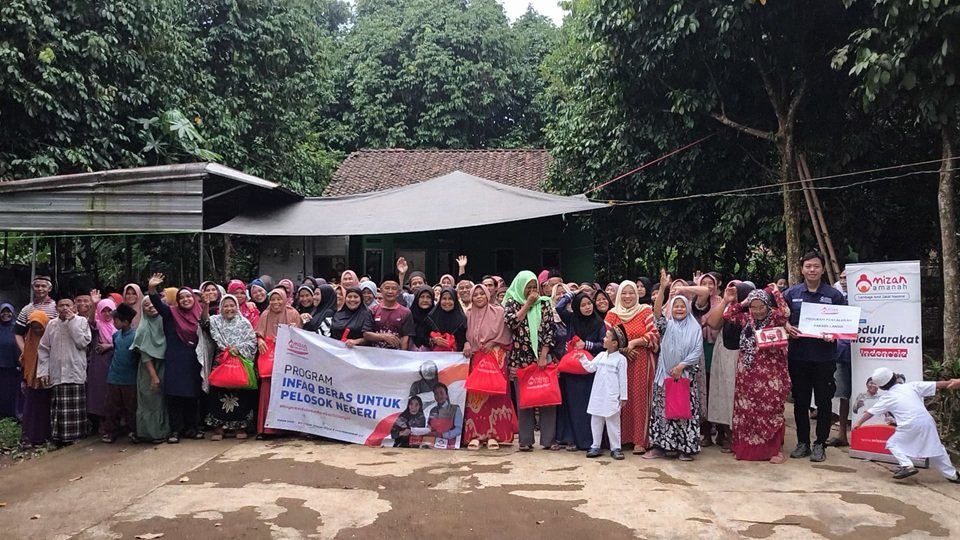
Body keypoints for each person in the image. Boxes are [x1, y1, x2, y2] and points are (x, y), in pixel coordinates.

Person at [783, 251, 846, 462]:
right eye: (808, 266)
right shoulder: (791, 294)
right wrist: (787, 326)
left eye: (816, 266)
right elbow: (780, 317)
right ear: (802, 269)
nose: (812, 270)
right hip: (798, 356)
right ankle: (803, 442)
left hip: (824, 358)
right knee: (800, 402)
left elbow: (843, 324)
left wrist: (834, 334)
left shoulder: (834, 296)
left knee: (823, 401)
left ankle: (820, 443)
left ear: (823, 269)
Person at [852, 367, 960, 482]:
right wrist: (955, 382)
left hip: (909, 424)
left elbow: (870, 412)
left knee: (893, 443)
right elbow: (937, 384)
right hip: (926, 421)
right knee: (936, 449)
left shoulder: (886, 398)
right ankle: (953, 475)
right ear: (895, 376)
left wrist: (858, 423)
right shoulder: (911, 386)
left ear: (881, 387)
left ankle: (907, 465)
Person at [723, 286, 791, 463]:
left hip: (772, 372)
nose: (758, 311)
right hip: (747, 371)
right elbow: (727, 314)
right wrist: (744, 303)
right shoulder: (746, 318)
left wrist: (776, 292)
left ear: (767, 305)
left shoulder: (775, 317)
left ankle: (776, 450)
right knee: (747, 410)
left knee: (771, 410)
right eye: (754, 307)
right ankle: (748, 449)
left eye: (761, 306)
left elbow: (786, 312)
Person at [503, 270, 558, 452]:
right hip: (521, 358)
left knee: (547, 398)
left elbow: (549, 330)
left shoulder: (544, 303)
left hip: (542, 357)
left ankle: (548, 440)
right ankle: (525, 440)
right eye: (528, 288)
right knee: (524, 400)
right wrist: (527, 304)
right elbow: (512, 323)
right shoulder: (511, 302)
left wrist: (543, 356)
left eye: (535, 287)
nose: (532, 291)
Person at [644, 296, 703, 461]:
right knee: (663, 412)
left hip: (685, 376)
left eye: (682, 306)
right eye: (675, 306)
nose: (679, 309)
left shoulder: (695, 328)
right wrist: (663, 288)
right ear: (670, 308)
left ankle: (685, 449)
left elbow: (697, 350)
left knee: (683, 412)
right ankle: (660, 448)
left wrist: (681, 366)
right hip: (665, 377)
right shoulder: (667, 325)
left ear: (688, 308)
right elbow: (657, 314)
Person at [147, 273, 204, 444]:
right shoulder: (171, 313)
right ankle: (175, 431)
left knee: (192, 396)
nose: (186, 299)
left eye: (188, 296)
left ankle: (191, 428)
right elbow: (158, 304)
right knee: (174, 396)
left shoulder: (200, 315)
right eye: (182, 297)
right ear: (177, 301)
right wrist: (152, 288)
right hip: (175, 361)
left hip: (193, 360)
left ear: (194, 298)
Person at [604, 280, 660, 454]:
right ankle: (621, 439)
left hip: (642, 362)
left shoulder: (645, 311)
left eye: (631, 293)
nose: (627, 296)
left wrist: (635, 342)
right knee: (620, 398)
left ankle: (640, 440)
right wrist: (624, 350)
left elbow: (654, 335)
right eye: (624, 293)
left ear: (637, 294)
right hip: (618, 363)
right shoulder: (612, 315)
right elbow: (607, 340)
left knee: (639, 399)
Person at [462, 284, 517, 449]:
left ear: (487, 295)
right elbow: (464, 335)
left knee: (496, 395)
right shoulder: (468, 314)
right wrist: (466, 343)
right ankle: (475, 435)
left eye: (482, 294)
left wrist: (493, 342)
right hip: (476, 357)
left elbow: (507, 334)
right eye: (475, 294)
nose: (479, 297)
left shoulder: (498, 312)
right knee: (476, 397)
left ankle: (496, 435)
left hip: (496, 356)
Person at [704, 281, 755, 451]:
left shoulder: (754, 311)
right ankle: (727, 434)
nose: (733, 293)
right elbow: (712, 323)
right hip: (724, 355)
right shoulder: (728, 309)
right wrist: (726, 300)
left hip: (742, 358)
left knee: (740, 397)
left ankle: (742, 437)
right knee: (724, 395)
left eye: (737, 291)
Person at [37, 298, 92, 446]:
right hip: (57, 372)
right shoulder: (52, 324)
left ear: (74, 307)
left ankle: (77, 437)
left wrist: (72, 321)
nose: (65, 308)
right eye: (61, 305)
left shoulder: (81, 321)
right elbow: (44, 349)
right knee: (59, 408)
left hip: (75, 371)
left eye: (68, 305)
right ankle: (59, 438)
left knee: (76, 408)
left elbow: (83, 342)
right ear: (56, 308)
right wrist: (43, 371)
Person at [556, 289, 606, 451]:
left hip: (590, 369)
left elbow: (603, 344)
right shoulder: (572, 319)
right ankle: (570, 438)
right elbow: (559, 307)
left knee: (587, 406)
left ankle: (587, 440)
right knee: (571, 405)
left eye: (589, 304)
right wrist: (573, 293)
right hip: (571, 369)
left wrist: (586, 345)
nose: (587, 307)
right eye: (583, 305)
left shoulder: (599, 323)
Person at [203, 294, 258, 440]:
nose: (229, 309)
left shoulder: (244, 323)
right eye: (225, 306)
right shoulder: (215, 321)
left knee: (241, 393)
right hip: (221, 361)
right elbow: (203, 322)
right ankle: (219, 428)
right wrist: (206, 305)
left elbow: (252, 342)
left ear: (237, 307)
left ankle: (239, 427)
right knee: (218, 392)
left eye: (232, 305)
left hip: (239, 362)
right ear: (221, 308)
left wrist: (238, 349)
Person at [255, 288, 302, 438]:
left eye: (279, 299)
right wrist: (260, 340)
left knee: (286, 392)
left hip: (287, 359)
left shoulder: (293, 313)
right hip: (269, 359)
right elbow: (258, 334)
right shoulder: (265, 314)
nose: (276, 302)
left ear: (285, 299)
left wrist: (292, 331)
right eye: (273, 299)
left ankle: (287, 428)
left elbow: (300, 336)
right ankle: (266, 430)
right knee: (267, 391)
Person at [583, 325, 629, 460]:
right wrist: (582, 358)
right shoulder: (601, 356)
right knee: (596, 421)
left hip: (611, 396)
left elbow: (623, 379)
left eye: (607, 337)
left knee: (613, 422)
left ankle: (616, 448)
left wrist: (623, 396)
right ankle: (595, 445)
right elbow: (591, 367)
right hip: (598, 394)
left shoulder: (621, 359)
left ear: (614, 343)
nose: (603, 339)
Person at [132, 295, 169, 443]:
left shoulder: (165, 323)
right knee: (151, 400)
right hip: (149, 369)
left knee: (163, 400)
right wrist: (153, 376)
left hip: (164, 365)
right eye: (146, 305)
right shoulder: (143, 328)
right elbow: (145, 354)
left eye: (153, 303)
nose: (151, 307)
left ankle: (164, 431)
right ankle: (150, 433)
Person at [101, 303, 138, 443]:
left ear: (126, 322)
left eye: (116, 320)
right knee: (111, 406)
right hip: (114, 376)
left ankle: (133, 430)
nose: (114, 323)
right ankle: (111, 431)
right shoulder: (116, 335)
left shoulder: (135, 336)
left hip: (130, 378)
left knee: (131, 406)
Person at [19, 310, 50, 447]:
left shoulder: (51, 339)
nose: (37, 330)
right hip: (31, 382)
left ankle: (44, 437)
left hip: (46, 381)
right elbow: (25, 361)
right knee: (31, 411)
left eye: (40, 327)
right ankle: (29, 438)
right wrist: (24, 380)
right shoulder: (29, 341)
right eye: (34, 327)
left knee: (45, 410)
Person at [86, 298, 117, 434]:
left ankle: (114, 423)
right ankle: (100, 423)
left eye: (110, 311)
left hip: (115, 361)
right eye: (103, 311)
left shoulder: (117, 325)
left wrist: (109, 346)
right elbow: (91, 322)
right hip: (99, 363)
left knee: (113, 393)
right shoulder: (97, 325)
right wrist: (94, 304)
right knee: (99, 393)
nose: (107, 314)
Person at [365, 274, 414, 350]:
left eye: (394, 288)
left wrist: (402, 353)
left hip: (397, 354)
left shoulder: (406, 312)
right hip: (375, 354)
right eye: (387, 288)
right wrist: (383, 337)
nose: (390, 291)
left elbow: (405, 337)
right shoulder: (372, 310)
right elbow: (366, 334)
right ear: (381, 290)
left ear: (398, 292)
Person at [15, 275, 58, 355]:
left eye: (43, 286)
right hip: (32, 351)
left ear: (49, 288)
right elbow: (18, 333)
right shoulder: (26, 309)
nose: (40, 289)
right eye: (37, 286)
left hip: (52, 352)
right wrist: (25, 351)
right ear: (32, 288)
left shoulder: (56, 308)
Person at [427, 383, 462, 448]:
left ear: (446, 395)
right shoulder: (433, 410)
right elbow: (429, 425)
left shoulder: (455, 409)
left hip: (449, 445)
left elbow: (459, 429)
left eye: (441, 393)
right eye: (436, 394)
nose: (439, 396)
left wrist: (443, 435)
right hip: (432, 444)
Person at [0, 304, 18, 419]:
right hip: (0, 366)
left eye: (8, 312)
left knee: (11, 392)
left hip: (13, 366)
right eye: (3, 312)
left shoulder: (17, 328)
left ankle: (12, 414)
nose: (6, 314)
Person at [409, 286, 436, 351]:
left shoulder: (437, 317)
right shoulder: (409, 316)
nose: (425, 300)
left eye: (428, 297)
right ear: (417, 299)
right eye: (422, 297)